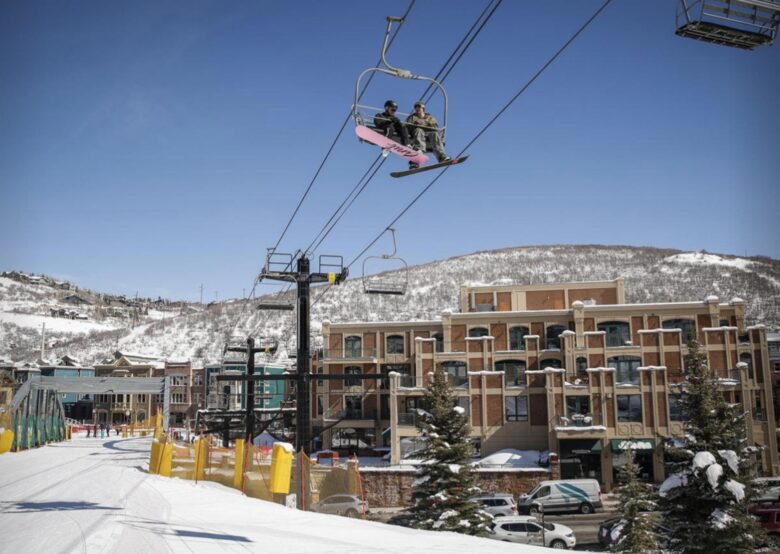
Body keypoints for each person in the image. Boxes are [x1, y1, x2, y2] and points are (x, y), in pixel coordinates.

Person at [405, 101, 451, 169]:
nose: (417, 109)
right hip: (417, 134)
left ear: (423, 108)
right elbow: (407, 126)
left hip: (428, 134)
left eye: (419, 107)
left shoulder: (430, 118)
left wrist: (426, 123)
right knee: (419, 130)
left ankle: (441, 156)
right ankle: (418, 153)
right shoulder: (412, 117)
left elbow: (435, 127)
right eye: (416, 108)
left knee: (434, 134)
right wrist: (415, 124)